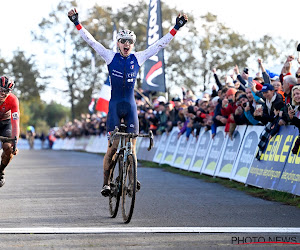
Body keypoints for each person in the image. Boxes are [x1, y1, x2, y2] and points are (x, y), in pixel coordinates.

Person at [68, 8, 188, 196]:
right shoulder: (110, 56)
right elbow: (91, 41)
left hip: (130, 107)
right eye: (123, 41)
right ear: (118, 43)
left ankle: (132, 180)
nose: (126, 44)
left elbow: (159, 45)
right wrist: (76, 23)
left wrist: (176, 28)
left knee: (132, 147)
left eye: (130, 42)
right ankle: (106, 183)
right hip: (115, 107)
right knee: (113, 147)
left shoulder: (138, 57)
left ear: (133, 45)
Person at [0, 76, 20, 187]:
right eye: (0, 90)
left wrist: (15, 143)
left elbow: (15, 121)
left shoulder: (13, 100)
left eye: (5, 92)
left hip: (5, 123)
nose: (2, 94)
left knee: (8, 148)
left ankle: (1, 170)